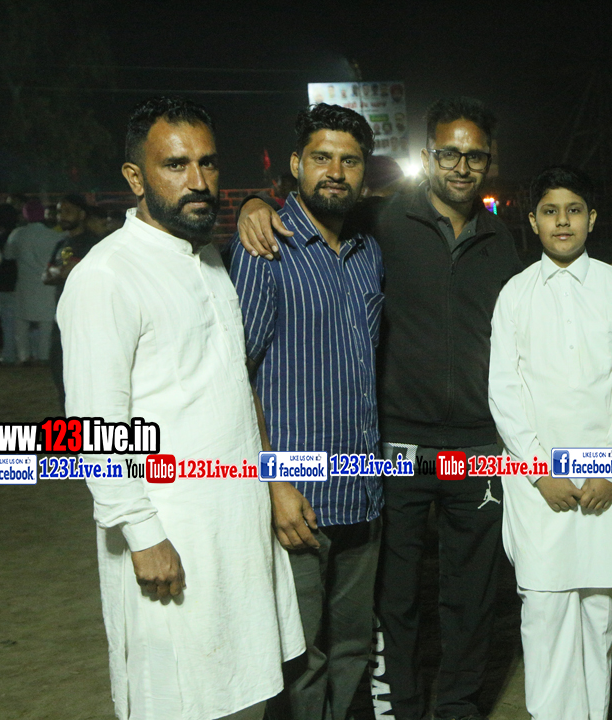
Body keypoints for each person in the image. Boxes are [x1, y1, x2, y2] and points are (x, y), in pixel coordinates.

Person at [238, 97, 523, 720]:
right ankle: (400, 709)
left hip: (477, 446)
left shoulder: (505, 238)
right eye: (449, 153)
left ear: (489, 161)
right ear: (427, 156)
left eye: (475, 156)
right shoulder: (381, 221)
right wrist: (254, 204)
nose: (462, 166)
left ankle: (458, 708)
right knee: (393, 598)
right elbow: (313, 202)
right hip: (395, 449)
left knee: (472, 594)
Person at [57, 96, 304, 720]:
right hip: (171, 536)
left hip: (237, 531)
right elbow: (91, 427)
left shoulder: (208, 257)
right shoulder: (107, 276)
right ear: (135, 177)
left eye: (208, 163)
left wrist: (272, 480)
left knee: (245, 692)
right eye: (175, 165)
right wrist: (143, 536)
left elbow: (233, 384)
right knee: (176, 699)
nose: (198, 181)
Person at [229, 103, 385, 720]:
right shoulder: (264, 247)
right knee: (299, 660)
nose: (336, 172)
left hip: (362, 491)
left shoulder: (368, 251)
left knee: (351, 650)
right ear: (296, 164)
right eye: (322, 157)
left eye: (350, 160)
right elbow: (235, 376)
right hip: (298, 502)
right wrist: (272, 483)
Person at [488, 166, 612, 720]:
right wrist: (541, 472)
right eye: (551, 211)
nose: (563, 221)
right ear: (533, 221)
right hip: (538, 485)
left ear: (592, 218)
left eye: (574, 210)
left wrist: (610, 469)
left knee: (598, 616)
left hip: (604, 480)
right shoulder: (515, 293)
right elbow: (504, 392)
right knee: (544, 614)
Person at [45, 194, 101, 408]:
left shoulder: (91, 243)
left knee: (85, 376)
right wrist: (60, 272)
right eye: (60, 211)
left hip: (86, 319)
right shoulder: (61, 243)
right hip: (61, 318)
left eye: (68, 211)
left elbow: (65, 272)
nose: (62, 216)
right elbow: (46, 276)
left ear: (82, 214)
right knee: (60, 373)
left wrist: (59, 272)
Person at [3, 200, 60, 364]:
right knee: (46, 323)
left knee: (21, 322)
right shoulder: (53, 236)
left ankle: (24, 356)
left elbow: (8, 255)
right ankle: (43, 356)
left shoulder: (17, 234)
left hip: (24, 284)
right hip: (46, 284)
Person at [0, 203, 20, 364]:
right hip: (20, 283)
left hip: (2, 285)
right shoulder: (19, 235)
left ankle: (8, 354)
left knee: (7, 323)